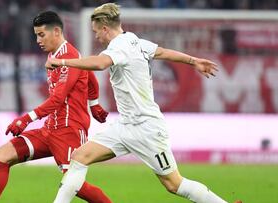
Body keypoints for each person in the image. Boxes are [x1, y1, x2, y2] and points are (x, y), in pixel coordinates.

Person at [46, 3, 241, 203]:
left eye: (96, 32)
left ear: (105, 28)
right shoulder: (135, 41)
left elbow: (100, 63)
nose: (96, 36)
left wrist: (62, 62)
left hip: (147, 128)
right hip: (125, 126)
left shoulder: (119, 47)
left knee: (174, 184)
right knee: (80, 157)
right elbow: (163, 52)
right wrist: (193, 61)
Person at [0, 11, 111, 203]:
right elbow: (91, 76)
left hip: (70, 129)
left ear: (56, 31)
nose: (38, 40)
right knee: (1, 157)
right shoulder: (56, 55)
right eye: (36, 35)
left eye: (41, 34)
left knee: (75, 186)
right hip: (49, 129)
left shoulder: (69, 57)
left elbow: (58, 99)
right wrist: (94, 104)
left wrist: (26, 119)